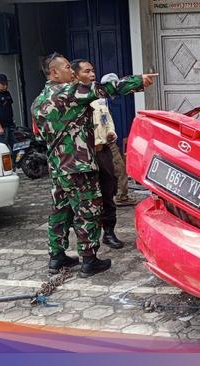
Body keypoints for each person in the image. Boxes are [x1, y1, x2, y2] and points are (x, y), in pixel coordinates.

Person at [31, 52, 155, 277]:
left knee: (60, 211)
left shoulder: (38, 101)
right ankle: (89, 260)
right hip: (79, 166)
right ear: (54, 73)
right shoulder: (67, 92)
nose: (71, 71)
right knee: (87, 212)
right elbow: (104, 89)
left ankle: (56, 257)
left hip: (58, 167)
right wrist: (138, 81)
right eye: (67, 67)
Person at [70, 59, 128, 249]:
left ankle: (109, 233)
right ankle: (88, 240)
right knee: (87, 198)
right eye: (87, 71)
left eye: (93, 70)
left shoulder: (99, 95)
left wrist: (111, 132)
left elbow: (106, 118)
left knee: (108, 191)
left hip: (104, 151)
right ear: (76, 75)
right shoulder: (72, 98)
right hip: (84, 155)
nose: (92, 74)